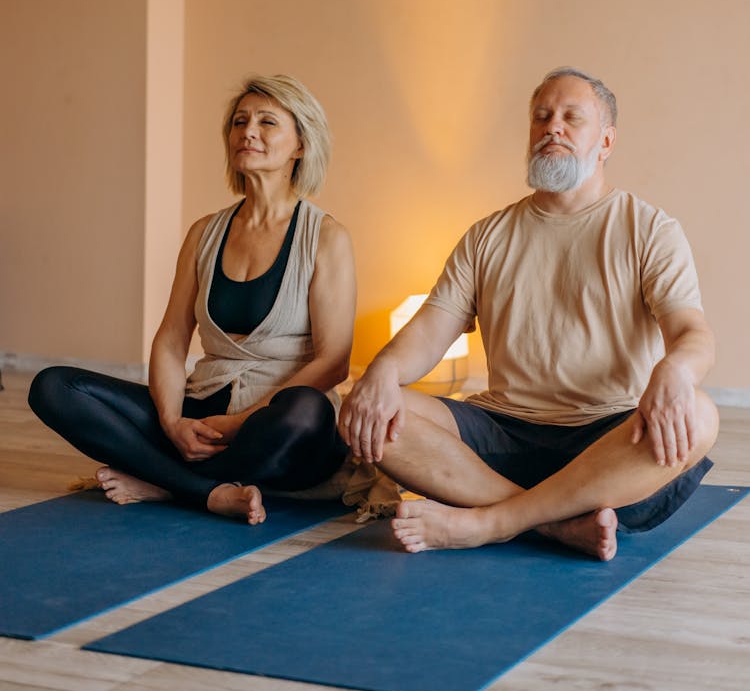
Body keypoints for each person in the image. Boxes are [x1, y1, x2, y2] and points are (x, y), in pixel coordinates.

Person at [339, 67, 719, 561]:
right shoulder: (487, 236)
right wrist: (382, 372)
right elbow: (431, 329)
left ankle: (492, 521)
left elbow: (693, 333)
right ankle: (553, 525)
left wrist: (675, 369)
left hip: (606, 440)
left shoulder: (648, 228)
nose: (551, 128)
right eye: (541, 117)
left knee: (702, 415)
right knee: (371, 409)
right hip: (503, 433)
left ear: (605, 141)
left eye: (570, 118)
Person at [29, 74, 356, 525]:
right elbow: (171, 338)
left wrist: (243, 422)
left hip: (279, 427)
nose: (248, 132)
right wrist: (172, 421)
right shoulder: (205, 232)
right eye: (240, 122)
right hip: (205, 409)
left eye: (267, 122)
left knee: (304, 410)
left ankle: (166, 482)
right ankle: (207, 489)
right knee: (54, 386)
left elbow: (335, 361)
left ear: (300, 145)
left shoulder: (325, 237)